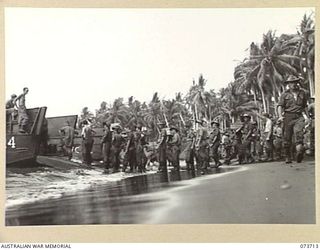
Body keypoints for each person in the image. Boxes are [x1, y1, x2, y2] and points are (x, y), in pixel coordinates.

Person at [277, 75, 310, 163]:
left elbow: (305, 106)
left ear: (297, 83)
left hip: (299, 116)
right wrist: (280, 116)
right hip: (288, 116)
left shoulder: (302, 93)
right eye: (291, 83)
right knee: (287, 137)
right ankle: (287, 156)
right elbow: (280, 106)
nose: (293, 84)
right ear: (288, 84)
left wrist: (308, 117)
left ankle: (299, 152)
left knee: (299, 133)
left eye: (295, 82)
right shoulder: (284, 94)